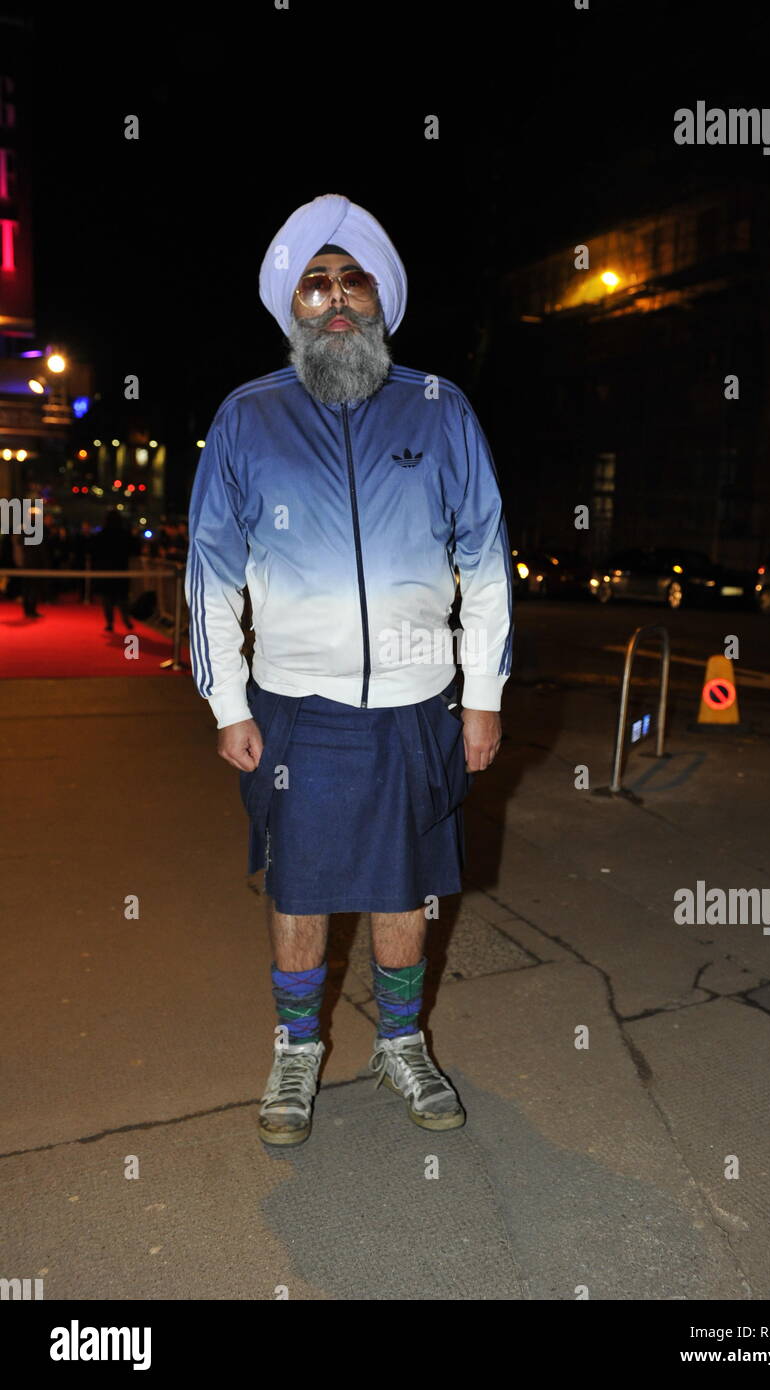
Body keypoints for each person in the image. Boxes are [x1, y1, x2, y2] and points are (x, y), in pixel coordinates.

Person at [185, 193, 513, 1149]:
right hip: (298, 707)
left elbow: (485, 563)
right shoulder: (248, 418)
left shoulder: (439, 409)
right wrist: (226, 700)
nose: (333, 300)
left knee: (407, 886)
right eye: (314, 284)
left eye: (350, 280)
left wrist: (482, 698)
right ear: (293, 305)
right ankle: (296, 1047)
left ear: (382, 296)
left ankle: (400, 1040)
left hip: (419, 706)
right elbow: (208, 576)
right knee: (301, 885)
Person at [91, 509, 136, 632]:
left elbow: (94, 551)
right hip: (121, 570)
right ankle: (126, 619)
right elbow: (133, 549)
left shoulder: (101, 535)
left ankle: (109, 622)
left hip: (106, 571)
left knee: (107, 599)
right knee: (123, 598)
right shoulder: (125, 534)